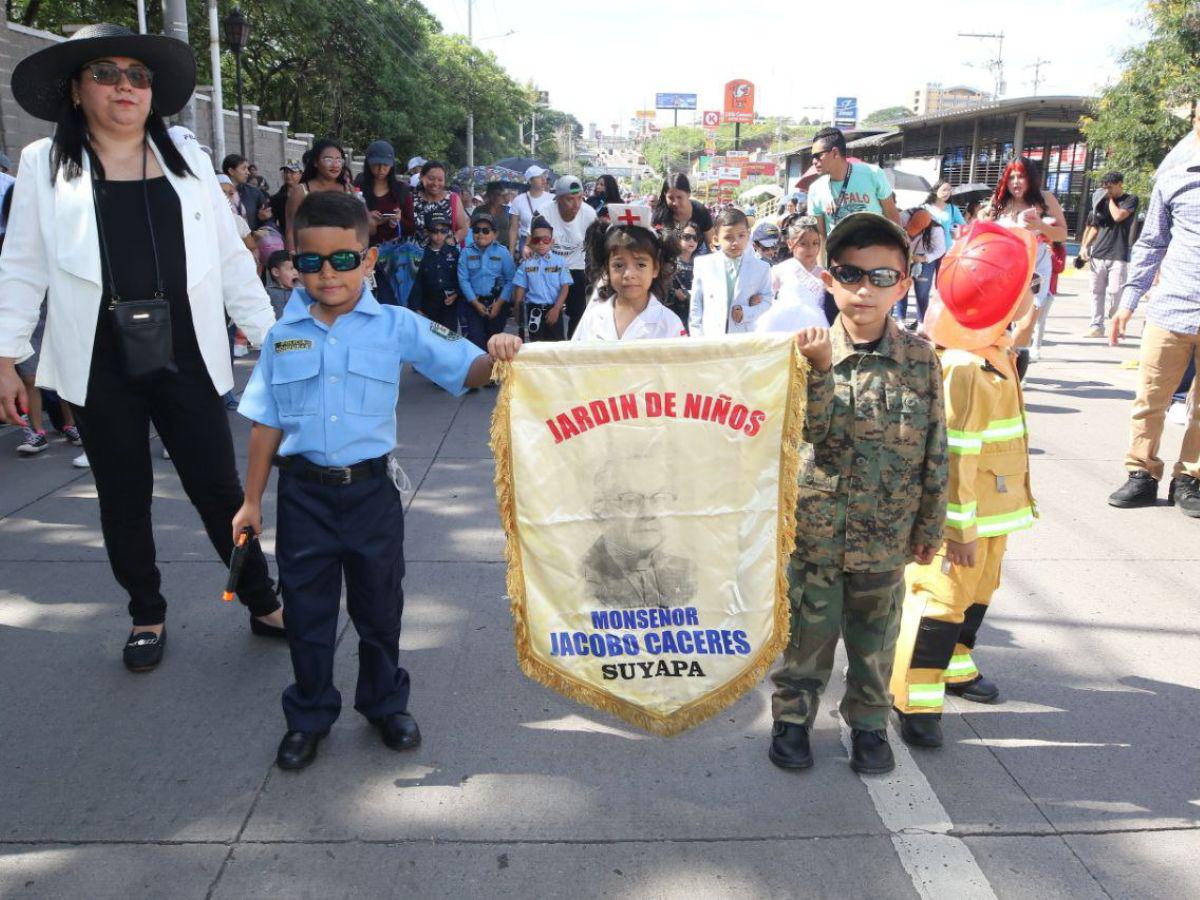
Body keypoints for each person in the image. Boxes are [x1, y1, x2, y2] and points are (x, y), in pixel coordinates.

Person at [0, 23, 284, 672]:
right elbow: (22, 265)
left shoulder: (187, 155)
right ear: (77, 90)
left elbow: (230, 262)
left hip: (186, 349)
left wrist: (273, 339)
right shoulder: (46, 162)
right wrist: (6, 356)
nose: (125, 87)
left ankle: (263, 601)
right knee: (123, 494)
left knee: (218, 488)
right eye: (106, 73)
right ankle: (146, 612)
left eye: (137, 75)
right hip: (98, 359)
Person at [233, 191, 519, 771]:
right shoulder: (282, 336)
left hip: (370, 496)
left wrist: (499, 350)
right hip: (304, 496)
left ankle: (385, 703)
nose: (328, 273)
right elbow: (265, 421)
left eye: (344, 259)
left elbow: (468, 368)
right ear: (295, 263)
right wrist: (251, 500)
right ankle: (309, 714)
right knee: (308, 617)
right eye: (312, 262)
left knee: (379, 609)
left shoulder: (397, 324)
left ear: (368, 260)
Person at [768, 213, 947, 775]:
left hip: (886, 537)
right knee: (806, 639)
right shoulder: (801, 353)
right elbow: (806, 434)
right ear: (828, 279)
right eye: (850, 274)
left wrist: (929, 527)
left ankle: (869, 725)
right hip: (818, 535)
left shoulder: (921, 358)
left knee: (875, 644)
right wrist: (819, 371)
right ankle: (793, 719)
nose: (865, 289)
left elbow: (936, 449)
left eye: (882, 276)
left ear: (904, 280)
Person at [889, 222, 1038, 749]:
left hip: (995, 514)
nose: (1031, 301)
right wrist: (957, 530)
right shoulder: (965, 367)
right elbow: (954, 459)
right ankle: (914, 697)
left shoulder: (994, 351)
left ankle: (956, 662)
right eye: (1026, 292)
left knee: (979, 592)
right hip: (963, 523)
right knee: (940, 601)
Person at [1108, 123, 1200, 515]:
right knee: (1151, 397)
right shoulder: (1174, 173)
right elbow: (1152, 241)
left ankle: (1190, 478)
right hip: (1172, 307)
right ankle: (1141, 472)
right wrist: (1128, 300)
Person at [979, 157, 1067, 363]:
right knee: (998, 324)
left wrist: (1041, 226)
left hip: (1036, 269)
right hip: (1002, 270)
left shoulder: (1045, 199)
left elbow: (1062, 234)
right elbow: (980, 225)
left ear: (1031, 179)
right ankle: (999, 364)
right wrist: (986, 221)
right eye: (1012, 177)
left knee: (1027, 324)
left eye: (1021, 177)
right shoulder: (999, 201)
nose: (1016, 182)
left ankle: (1010, 365)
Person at [581, 457, 696, 608]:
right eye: (631, 500)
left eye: (659, 499)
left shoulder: (686, 573)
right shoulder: (584, 579)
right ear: (601, 510)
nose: (648, 513)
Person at [574, 211, 685, 342]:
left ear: (655, 268)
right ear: (607, 268)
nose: (629, 275)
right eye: (619, 265)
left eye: (641, 265)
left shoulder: (670, 324)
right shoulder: (593, 318)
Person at [688, 207, 772, 336]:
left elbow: (767, 302)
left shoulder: (761, 268)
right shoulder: (704, 264)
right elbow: (696, 304)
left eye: (741, 236)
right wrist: (697, 335)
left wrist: (746, 313)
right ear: (716, 239)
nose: (735, 242)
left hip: (744, 335)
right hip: (711, 335)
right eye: (728, 237)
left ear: (748, 235)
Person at [805, 127, 901, 237]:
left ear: (835, 153)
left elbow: (892, 216)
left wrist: (900, 248)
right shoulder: (815, 189)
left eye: (818, 156)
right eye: (812, 157)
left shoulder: (873, 174)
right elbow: (821, 238)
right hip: (838, 252)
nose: (814, 161)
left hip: (873, 251)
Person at [1079, 172, 1139, 338]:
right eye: (1105, 188)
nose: (1107, 191)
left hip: (1118, 254)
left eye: (1110, 188)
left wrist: (1109, 199)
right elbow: (1094, 227)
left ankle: (1115, 320)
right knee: (1096, 292)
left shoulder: (1130, 199)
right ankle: (1096, 326)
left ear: (1120, 184)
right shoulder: (1102, 202)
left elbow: (1118, 216)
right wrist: (1085, 246)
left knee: (1115, 291)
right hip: (1098, 253)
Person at [538, 175, 598, 337]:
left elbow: (596, 245)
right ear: (558, 199)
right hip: (550, 267)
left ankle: (573, 348)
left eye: (580, 198)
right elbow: (535, 242)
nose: (576, 204)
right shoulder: (544, 212)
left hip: (575, 267)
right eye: (570, 199)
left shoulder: (589, 214)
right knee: (549, 314)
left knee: (578, 314)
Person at [457, 211, 515, 352]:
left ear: (495, 234)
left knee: (494, 343)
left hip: (497, 304)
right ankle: (480, 373)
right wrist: (475, 303)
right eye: (476, 230)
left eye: (486, 230)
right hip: (474, 304)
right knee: (476, 341)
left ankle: (495, 373)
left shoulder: (503, 253)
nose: (480, 234)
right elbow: (463, 280)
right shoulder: (466, 253)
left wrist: (499, 304)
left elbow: (510, 280)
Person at [758, 217, 829, 332]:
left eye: (815, 243)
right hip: (784, 327)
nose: (810, 248)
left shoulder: (824, 275)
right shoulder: (781, 269)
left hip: (816, 327)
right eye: (803, 244)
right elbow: (766, 296)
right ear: (790, 244)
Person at [510, 215, 572, 342]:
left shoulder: (560, 262)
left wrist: (556, 309)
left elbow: (565, 287)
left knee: (557, 345)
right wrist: (517, 308)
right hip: (534, 311)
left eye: (546, 240)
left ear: (552, 241)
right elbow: (520, 288)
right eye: (537, 240)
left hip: (554, 309)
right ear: (531, 241)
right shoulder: (526, 263)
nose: (541, 243)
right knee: (536, 345)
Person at [285, 138, 352, 251]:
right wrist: (293, 257)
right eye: (328, 160)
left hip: (343, 254)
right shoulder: (301, 191)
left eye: (339, 160)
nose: (335, 165)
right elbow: (291, 230)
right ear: (315, 162)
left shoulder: (348, 190)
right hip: (312, 254)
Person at [895, 207, 945, 328]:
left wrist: (924, 258)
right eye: (911, 228)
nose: (913, 234)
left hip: (925, 258)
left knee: (922, 292)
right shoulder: (902, 217)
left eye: (917, 231)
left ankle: (922, 324)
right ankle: (901, 321)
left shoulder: (936, 229)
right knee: (900, 288)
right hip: (904, 254)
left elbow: (940, 250)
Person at [413, 210, 461, 333]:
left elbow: (462, 278)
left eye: (443, 231)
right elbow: (417, 283)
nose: (439, 235)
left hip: (449, 305)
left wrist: (456, 294)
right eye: (434, 231)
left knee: (450, 339)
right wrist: (417, 307)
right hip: (427, 306)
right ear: (427, 232)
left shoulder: (455, 253)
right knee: (430, 341)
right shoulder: (420, 254)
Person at [407, 160, 467, 246]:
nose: (435, 183)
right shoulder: (411, 199)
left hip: (445, 256)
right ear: (421, 177)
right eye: (431, 179)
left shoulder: (453, 199)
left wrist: (453, 241)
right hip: (415, 256)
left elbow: (463, 228)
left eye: (440, 180)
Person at [652, 172, 714, 252]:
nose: (675, 203)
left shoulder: (701, 212)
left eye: (679, 197)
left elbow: (712, 244)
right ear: (664, 195)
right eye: (671, 198)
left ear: (688, 194)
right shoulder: (660, 215)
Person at [509, 165, 554, 256]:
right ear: (530, 181)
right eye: (539, 177)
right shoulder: (518, 200)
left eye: (544, 176)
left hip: (547, 242)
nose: (543, 179)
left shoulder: (552, 199)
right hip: (527, 242)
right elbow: (514, 228)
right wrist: (511, 253)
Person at [222, 152, 271, 230]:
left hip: (250, 239)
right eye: (243, 168)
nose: (248, 172)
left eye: (247, 169)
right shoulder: (217, 193)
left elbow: (269, 220)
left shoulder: (254, 193)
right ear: (231, 171)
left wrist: (263, 218)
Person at [666, 222, 699, 328]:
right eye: (687, 237)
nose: (692, 241)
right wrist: (674, 292)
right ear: (678, 238)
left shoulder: (700, 261)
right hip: (674, 313)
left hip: (695, 312)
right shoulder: (670, 261)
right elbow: (663, 284)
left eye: (695, 238)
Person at [925, 180, 965, 250]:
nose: (947, 193)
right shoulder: (925, 208)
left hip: (946, 249)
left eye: (949, 190)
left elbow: (964, 226)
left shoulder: (953, 208)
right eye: (944, 190)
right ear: (935, 191)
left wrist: (955, 230)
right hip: (928, 249)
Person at [473, 182, 513, 251]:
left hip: (504, 248)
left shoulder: (509, 211)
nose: (496, 197)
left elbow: (513, 231)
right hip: (482, 248)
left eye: (498, 194)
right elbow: (472, 229)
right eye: (492, 194)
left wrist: (511, 252)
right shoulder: (479, 210)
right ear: (488, 195)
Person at [265, 249, 298, 319]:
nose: (296, 273)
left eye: (297, 269)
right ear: (276, 272)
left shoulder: (299, 292)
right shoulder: (267, 293)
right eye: (291, 269)